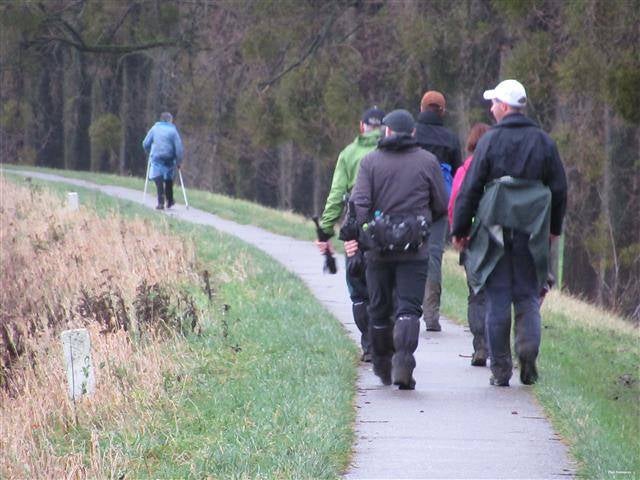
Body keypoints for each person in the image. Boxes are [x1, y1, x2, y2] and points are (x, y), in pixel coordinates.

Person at [451, 79, 567, 387]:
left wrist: (460, 229)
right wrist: (553, 229)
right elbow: (559, 188)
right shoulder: (544, 142)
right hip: (532, 233)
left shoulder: (489, 142)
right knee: (528, 295)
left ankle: (501, 369)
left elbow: (470, 188)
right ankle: (527, 350)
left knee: (498, 298)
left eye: (494, 104)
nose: (491, 109)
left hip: (495, 233)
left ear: (504, 107)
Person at [348, 109, 448, 390]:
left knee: (379, 308)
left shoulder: (370, 162)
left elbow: (359, 204)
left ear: (387, 132)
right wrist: (423, 222)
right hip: (414, 249)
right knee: (408, 308)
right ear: (413, 133)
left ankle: (382, 365)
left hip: (378, 250)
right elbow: (441, 204)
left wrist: (359, 234)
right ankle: (403, 362)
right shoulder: (427, 161)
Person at [316, 106, 385, 362]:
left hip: (356, 227)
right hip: (388, 226)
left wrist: (325, 232)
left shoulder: (348, 154)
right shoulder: (392, 151)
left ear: (361, 126)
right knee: (385, 285)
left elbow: (336, 196)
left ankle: (369, 345)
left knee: (358, 288)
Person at [415, 91, 462, 332]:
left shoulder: (412, 134)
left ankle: (406, 310)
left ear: (421, 108)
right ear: (442, 111)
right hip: (439, 207)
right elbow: (458, 174)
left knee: (408, 252)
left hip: (412, 203)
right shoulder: (451, 139)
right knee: (433, 256)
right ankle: (431, 316)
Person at [448, 122, 491, 366]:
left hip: (472, 238)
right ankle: (496, 346)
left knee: (476, 293)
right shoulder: (499, 168)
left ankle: (480, 346)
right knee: (496, 293)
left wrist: (457, 231)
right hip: (497, 237)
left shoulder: (465, 169)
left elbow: (455, 202)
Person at [142, 112, 184, 210]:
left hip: (157, 157)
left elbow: (145, 143)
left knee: (158, 176)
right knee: (168, 178)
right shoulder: (173, 131)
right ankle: (169, 200)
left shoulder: (154, 128)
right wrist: (179, 160)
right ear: (170, 120)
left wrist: (149, 152)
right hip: (169, 158)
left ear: (161, 119)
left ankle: (161, 202)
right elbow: (179, 148)